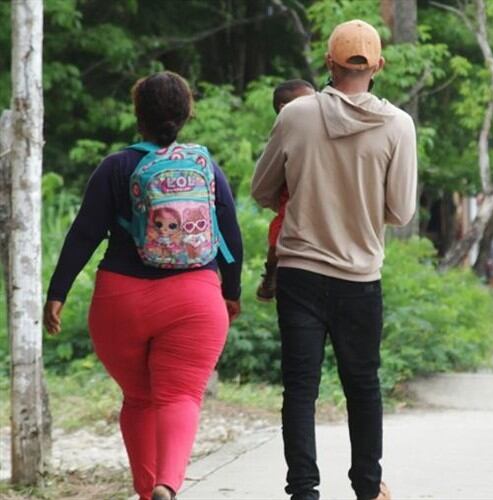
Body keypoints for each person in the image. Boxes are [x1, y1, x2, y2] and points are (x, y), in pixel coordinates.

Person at [43, 71, 243, 500]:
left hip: (122, 299)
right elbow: (231, 236)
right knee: (181, 396)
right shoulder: (205, 167)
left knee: (138, 397)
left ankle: (147, 492)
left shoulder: (116, 167)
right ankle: (168, 483)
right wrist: (232, 291)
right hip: (195, 298)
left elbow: (83, 234)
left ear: (138, 115)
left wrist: (57, 292)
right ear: (187, 113)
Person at [251, 19, 416, 500]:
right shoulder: (398, 125)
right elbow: (401, 212)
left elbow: (263, 189)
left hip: (300, 273)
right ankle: (367, 487)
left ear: (329, 62)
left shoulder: (296, 115)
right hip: (361, 277)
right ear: (378, 66)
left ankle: (303, 490)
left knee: (300, 389)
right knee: (363, 386)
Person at [256, 79, 316, 301]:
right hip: (291, 209)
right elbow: (262, 187)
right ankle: (270, 273)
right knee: (279, 234)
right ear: (284, 110)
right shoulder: (286, 131)